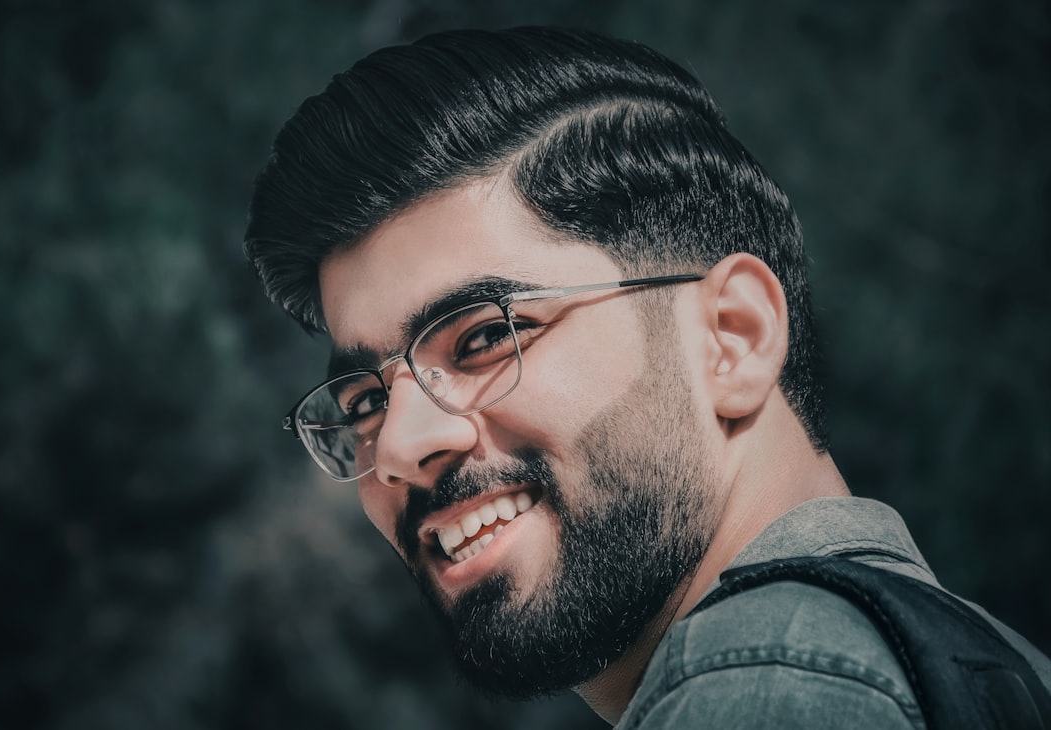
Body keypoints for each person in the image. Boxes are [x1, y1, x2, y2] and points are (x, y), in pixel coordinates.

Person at [244, 27, 1051, 727]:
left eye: (486, 336)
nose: (399, 447)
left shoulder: (765, 688)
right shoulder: (995, 669)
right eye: (365, 401)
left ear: (732, 337)